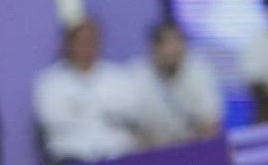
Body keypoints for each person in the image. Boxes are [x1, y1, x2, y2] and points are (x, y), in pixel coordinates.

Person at [33, 18, 140, 162]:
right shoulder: (50, 82)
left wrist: (80, 106)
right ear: (69, 44)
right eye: (81, 41)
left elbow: (133, 113)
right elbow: (52, 120)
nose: (87, 47)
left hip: (118, 153)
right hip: (71, 156)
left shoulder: (117, 76)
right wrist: (104, 110)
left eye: (91, 41)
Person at [125, 22, 222, 148]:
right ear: (153, 48)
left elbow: (210, 125)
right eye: (167, 44)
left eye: (178, 43)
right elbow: (133, 132)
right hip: (153, 151)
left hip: (194, 148)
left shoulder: (199, 70)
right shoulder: (135, 76)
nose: (174, 50)